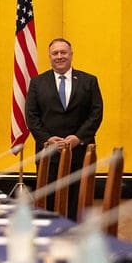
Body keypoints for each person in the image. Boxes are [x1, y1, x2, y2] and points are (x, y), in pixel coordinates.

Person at [25, 38, 103, 220]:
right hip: (48, 156)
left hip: (80, 152)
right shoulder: (37, 83)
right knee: (48, 204)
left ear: (71, 55)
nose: (59, 56)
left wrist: (79, 138)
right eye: (55, 53)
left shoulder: (89, 81)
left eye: (63, 52)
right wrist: (47, 139)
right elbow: (31, 116)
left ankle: (77, 241)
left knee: (78, 202)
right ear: (50, 57)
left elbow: (96, 113)